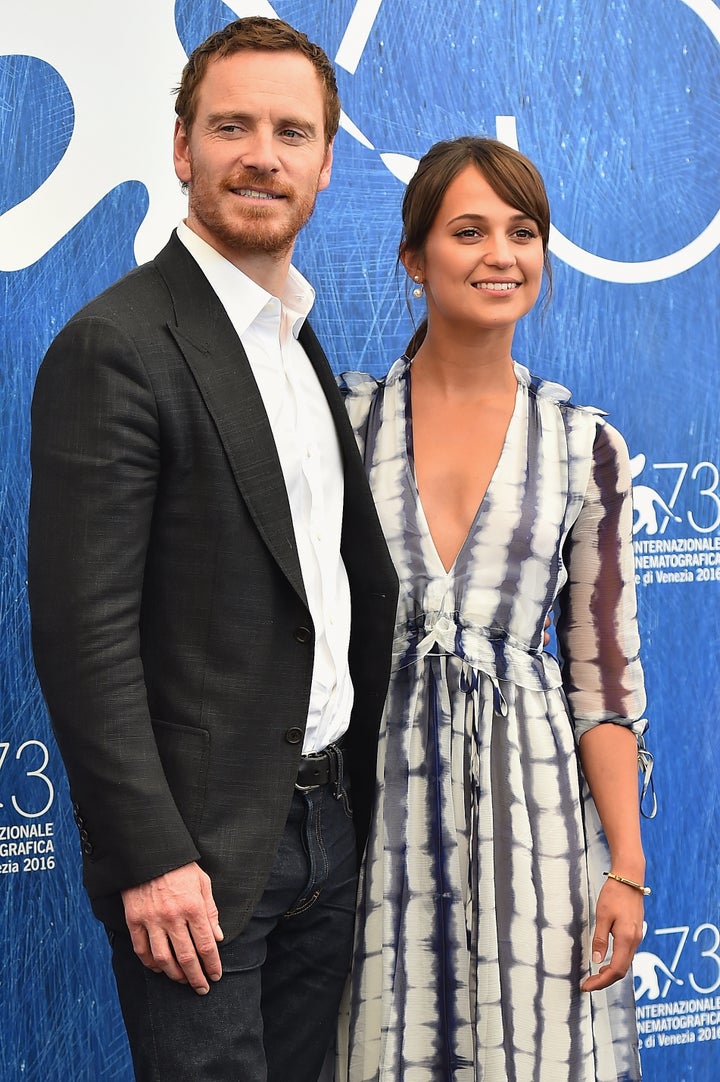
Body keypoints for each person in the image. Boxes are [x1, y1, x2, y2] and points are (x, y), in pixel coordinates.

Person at [27, 17, 397, 1082]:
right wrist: (150, 855)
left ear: (327, 162)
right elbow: (82, 628)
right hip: (200, 857)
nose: (261, 155)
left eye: (292, 131)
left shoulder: (296, 340)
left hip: (329, 830)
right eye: (231, 125)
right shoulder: (119, 346)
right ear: (182, 147)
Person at [337, 137, 654, 1081]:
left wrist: (626, 867)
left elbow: (603, 679)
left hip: (539, 817)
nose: (500, 255)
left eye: (523, 232)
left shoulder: (584, 445)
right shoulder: (343, 422)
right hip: (371, 811)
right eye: (468, 230)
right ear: (414, 257)